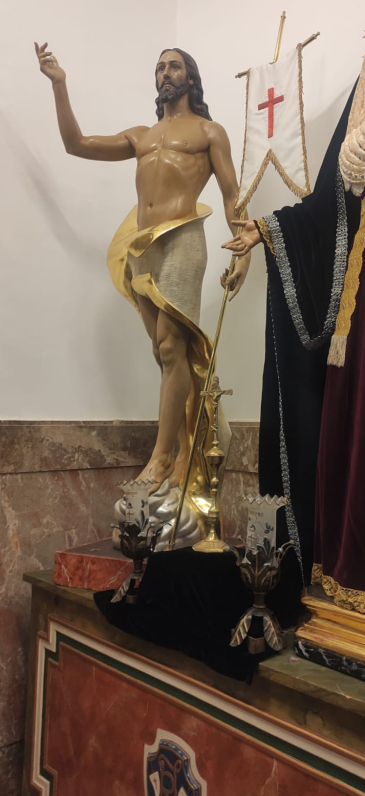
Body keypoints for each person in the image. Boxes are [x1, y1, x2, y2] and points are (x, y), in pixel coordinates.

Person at [223, 9, 365, 624]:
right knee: (357, 413)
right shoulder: (358, 137)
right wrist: (269, 230)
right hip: (362, 299)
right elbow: (324, 212)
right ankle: (355, 566)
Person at [35, 43, 249, 496]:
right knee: (164, 352)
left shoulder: (209, 131)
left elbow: (232, 193)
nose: (165, 73)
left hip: (182, 238)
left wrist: (244, 247)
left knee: (172, 346)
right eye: (159, 68)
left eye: (174, 66)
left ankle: (162, 455)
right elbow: (77, 145)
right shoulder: (141, 136)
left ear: (190, 78)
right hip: (141, 245)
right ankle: (191, 447)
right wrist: (60, 85)